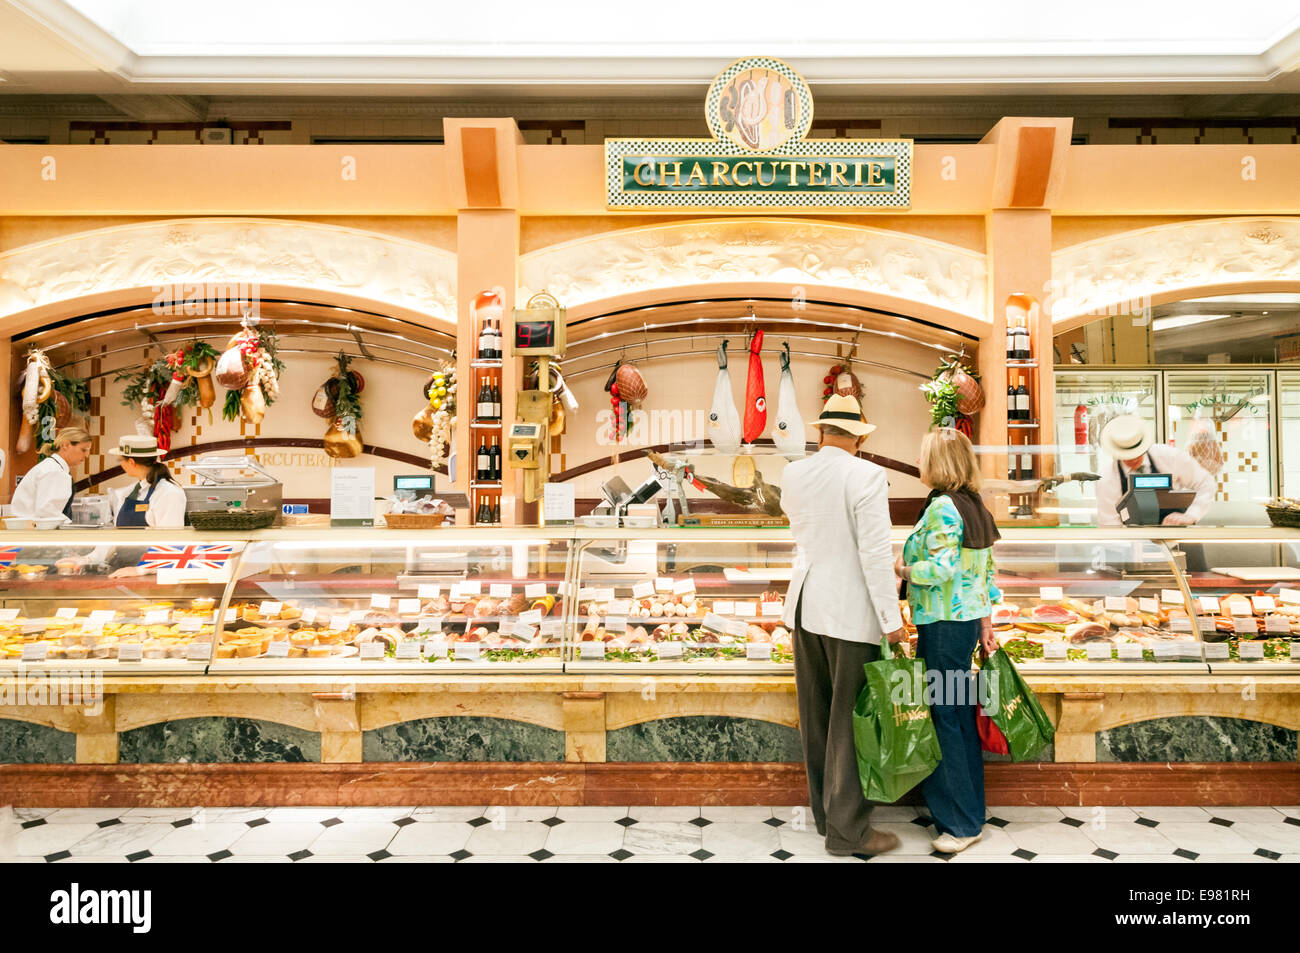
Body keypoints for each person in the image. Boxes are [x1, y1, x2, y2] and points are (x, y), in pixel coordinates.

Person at [779, 393, 904, 857]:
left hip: (805, 608)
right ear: (859, 436)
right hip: (850, 612)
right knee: (849, 722)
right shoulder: (867, 475)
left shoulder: (794, 472)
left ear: (820, 432)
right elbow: (874, 555)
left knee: (816, 716)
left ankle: (822, 815)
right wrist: (892, 621)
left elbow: (804, 536)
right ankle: (849, 834)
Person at [895, 428, 1000, 855]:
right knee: (956, 719)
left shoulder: (942, 508)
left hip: (941, 628)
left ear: (937, 462)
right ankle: (971, 813)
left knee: (945, 722)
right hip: (964, 625)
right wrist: (987, 623)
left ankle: (958, 824)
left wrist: (900, 569)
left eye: (924, 457)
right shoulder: (974, 505)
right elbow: (985, 576)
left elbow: (937, 570)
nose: (920, 464)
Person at [1094, 414, 1214, 527]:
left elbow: (1206, 483)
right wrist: (1139, 544)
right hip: (1131, 543)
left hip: (1178, 539)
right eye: (1127, 455)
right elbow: (1110, 525)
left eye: (1137, 452)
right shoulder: (1106, 479)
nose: (1134, 458)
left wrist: (1191, 515)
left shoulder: (1170, 457)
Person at [9, 426, 93, 523]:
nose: (87, 455)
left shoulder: (53, 467)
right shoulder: (54, 471)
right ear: (66, 445)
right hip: (33, 533)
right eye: (84, 450)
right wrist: (70, 526)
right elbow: (47, 513)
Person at [107, 435, 187, 529]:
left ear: (131, 462)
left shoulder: (169, 493)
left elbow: (170, 539)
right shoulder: (130, 491)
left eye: (121, 460)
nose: (121, 464)